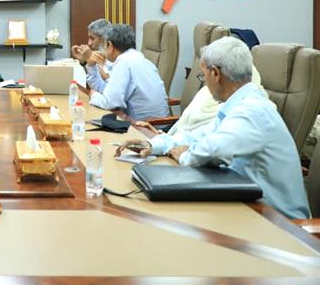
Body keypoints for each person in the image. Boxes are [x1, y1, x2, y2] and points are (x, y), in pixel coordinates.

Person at [115, 37, 310, 219]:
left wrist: (183, 155)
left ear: (215, 73)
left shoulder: (253, 111)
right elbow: (199, 135)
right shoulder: (237, 105)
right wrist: (155, 144)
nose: (205, 82)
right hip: (243, 205)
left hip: (278, 223)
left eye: (203, 75)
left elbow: (213, 149)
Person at [88, 24, 169, 121]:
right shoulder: (137, 57)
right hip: (160, 124)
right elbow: (107, 89)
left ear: (110, 45)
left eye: (105, 45)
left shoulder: (124, 62)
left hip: (145, 126)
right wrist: (91, 67)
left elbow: (110, 103)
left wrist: (93, 95)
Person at [73, 18, 113, 91]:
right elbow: (92, 80)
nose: (89, 43)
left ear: (104, 38)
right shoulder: (99, 53)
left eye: (92, 38)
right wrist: (84, 61)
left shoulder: (114, 55)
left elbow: (109, 82)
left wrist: (89, 57)